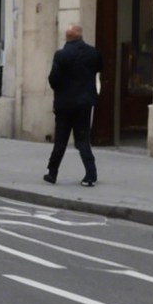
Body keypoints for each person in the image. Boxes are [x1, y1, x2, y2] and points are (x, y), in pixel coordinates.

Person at [46, 23, 101, 186]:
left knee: (60, 140)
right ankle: (91, 173)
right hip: (84, 104)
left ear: (67, 37)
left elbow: (53, 79)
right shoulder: (93, 53)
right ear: (81, 35)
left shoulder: (61, 55)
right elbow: (99, 70)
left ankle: (52, 173)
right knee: (83, 139)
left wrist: (61, 89)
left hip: (64, 104)